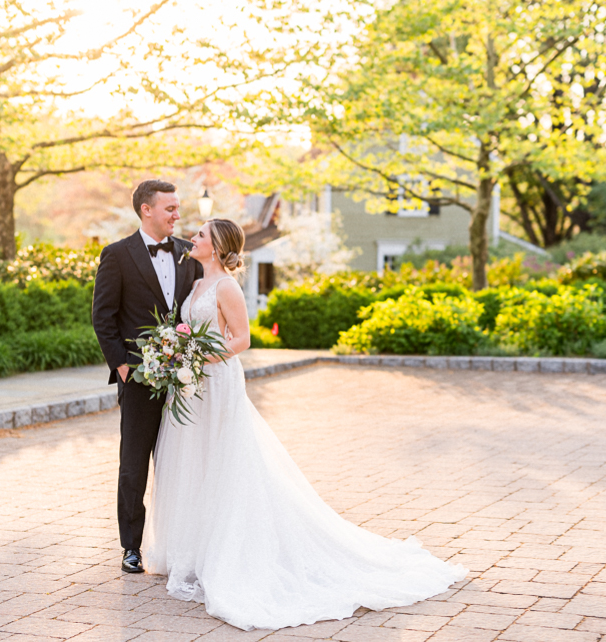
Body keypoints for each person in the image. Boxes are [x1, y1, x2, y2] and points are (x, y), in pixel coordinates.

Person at [144, 218, 467, 631]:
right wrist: (178, 355)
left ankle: (232, 554)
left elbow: (241, 339)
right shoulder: (195, 286)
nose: (194, 238)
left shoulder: (226, 287)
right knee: (194, 460)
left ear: (218, 245)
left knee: (224, 459)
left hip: (217, 379)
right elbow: (191, 330)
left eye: (202, 235)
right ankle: (193, 551)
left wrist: (195, 359)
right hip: (191, 385)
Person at [92, 179, 204, 574]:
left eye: (177, 207)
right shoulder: (117, 255)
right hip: (139, 380)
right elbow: (102, 317)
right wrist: (123, 367)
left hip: (184, 381)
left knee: (181, 463)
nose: (177, 214)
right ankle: (132, 548)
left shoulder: (191, 255)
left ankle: (183, 543)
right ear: (147, 210)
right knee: (134, 463)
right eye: (170, 208)